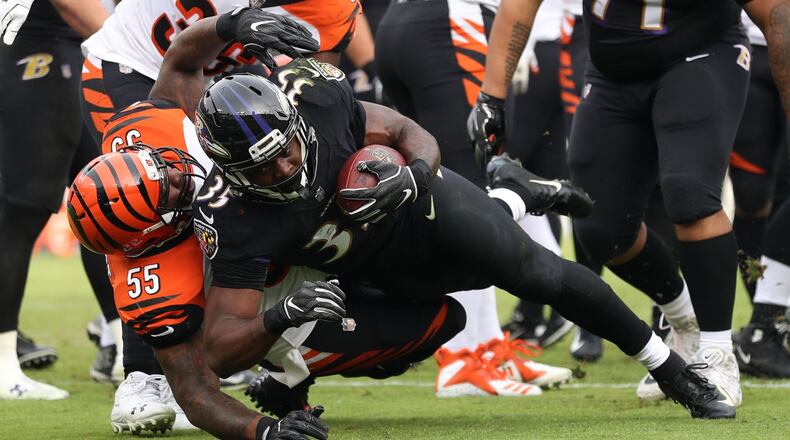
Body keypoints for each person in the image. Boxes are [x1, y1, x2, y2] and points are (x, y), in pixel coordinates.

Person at [468, 0, 790, 409]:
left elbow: (776, 12)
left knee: (690, 195)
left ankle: (717, 353)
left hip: (702, 57)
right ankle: (683, 319)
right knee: (598, 226)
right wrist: (491, 96)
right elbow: (520, 4)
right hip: (611, 74)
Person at [0, 0, 110, 400]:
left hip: (75, 54)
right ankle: (3, 364)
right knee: (19, 213)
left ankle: (120, 343)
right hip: (36, 50)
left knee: (106, 202)